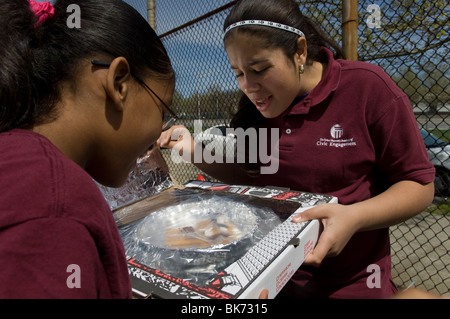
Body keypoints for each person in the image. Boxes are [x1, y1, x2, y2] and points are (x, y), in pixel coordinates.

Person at [158, 0, 436, 298]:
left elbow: (418, 185)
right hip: (268, 274)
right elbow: (255, 180)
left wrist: (354, 217)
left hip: (351, 281)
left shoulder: (367, 88)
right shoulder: (263, 111)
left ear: (300, 51)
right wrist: (191, 150)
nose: (248, 86)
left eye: (260, 68)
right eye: (238, 73)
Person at [0, 0, 176, 298]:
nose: (159, 132)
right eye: (163, 110)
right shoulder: (55, 207)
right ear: (119, 83)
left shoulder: (21, 164)